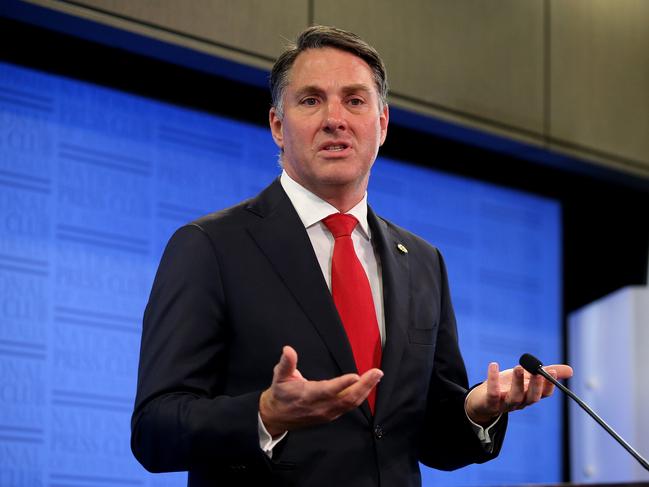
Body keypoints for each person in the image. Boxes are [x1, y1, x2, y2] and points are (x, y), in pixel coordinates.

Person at [131, 25, 573, 487]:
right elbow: (155, 430)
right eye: (310, 100)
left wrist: (477, 408)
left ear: (382, 125)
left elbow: (425, 438)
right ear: (278, 127)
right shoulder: (210, 245)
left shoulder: (422, 261)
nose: (334, 119)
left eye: (355, 100)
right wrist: (265, 413)